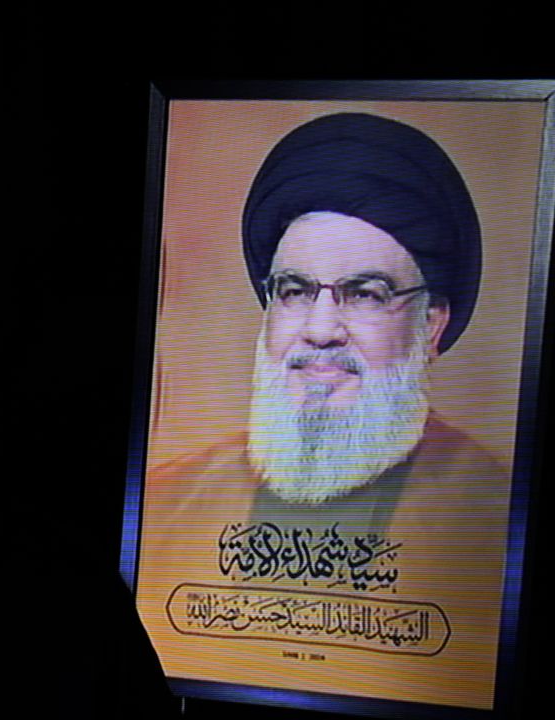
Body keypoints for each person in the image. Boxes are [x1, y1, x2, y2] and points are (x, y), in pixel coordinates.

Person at [137, 112, 513, 709]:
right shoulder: (162, 506)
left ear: (431, 323)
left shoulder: (495, 521)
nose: (319, 330)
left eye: (365, 294)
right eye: (294, 291)